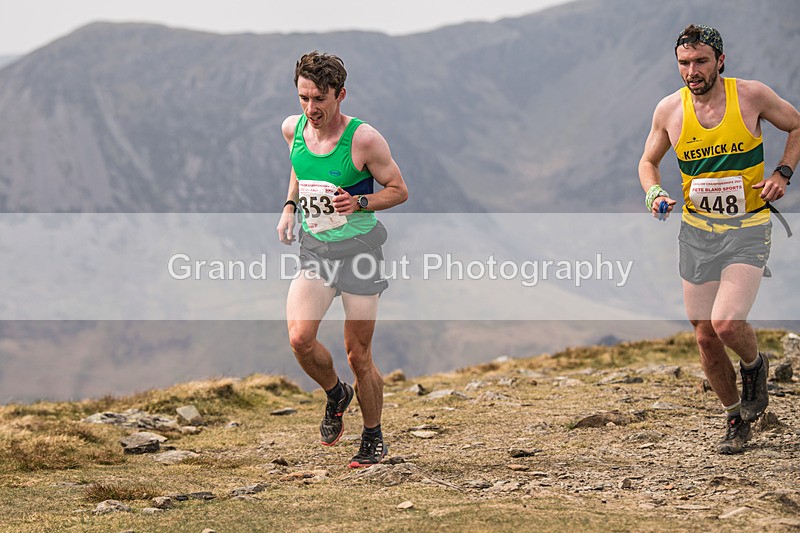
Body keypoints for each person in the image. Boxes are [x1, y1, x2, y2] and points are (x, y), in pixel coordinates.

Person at [638, 24, 800, 454]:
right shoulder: (669, 110)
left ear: (720, 61)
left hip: (748, 228)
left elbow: (796, 125)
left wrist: (783, 173)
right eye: (684, 63)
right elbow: (648, 162)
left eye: (701, 61)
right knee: (705, 335)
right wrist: (653, 192)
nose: (692, 71)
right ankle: (734, 418)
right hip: (697, 232)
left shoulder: (751, 95)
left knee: (727, 323)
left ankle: (754, 365)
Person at [276, 51, 408, 468]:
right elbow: (299, 168)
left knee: (358, 355)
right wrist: (290, 206)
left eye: (320, 99)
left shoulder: (364, 139)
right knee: (300, 339)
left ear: (340, 95)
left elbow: (399, 190)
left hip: (360, 254)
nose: (310, 108)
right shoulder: (293, 128)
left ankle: (372, 436)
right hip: (316, 250)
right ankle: (336, 393)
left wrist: (360, 201)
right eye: (303, 98)